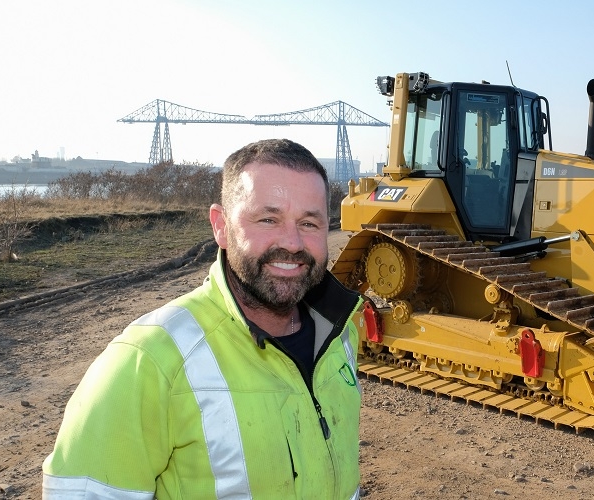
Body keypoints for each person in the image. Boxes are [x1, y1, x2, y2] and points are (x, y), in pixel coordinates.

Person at [42, 139, 364, 499]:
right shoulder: (149, 360)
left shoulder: (339, 334)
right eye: (268, 219)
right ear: (221, 226)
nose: (291, 242)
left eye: (308, 222)